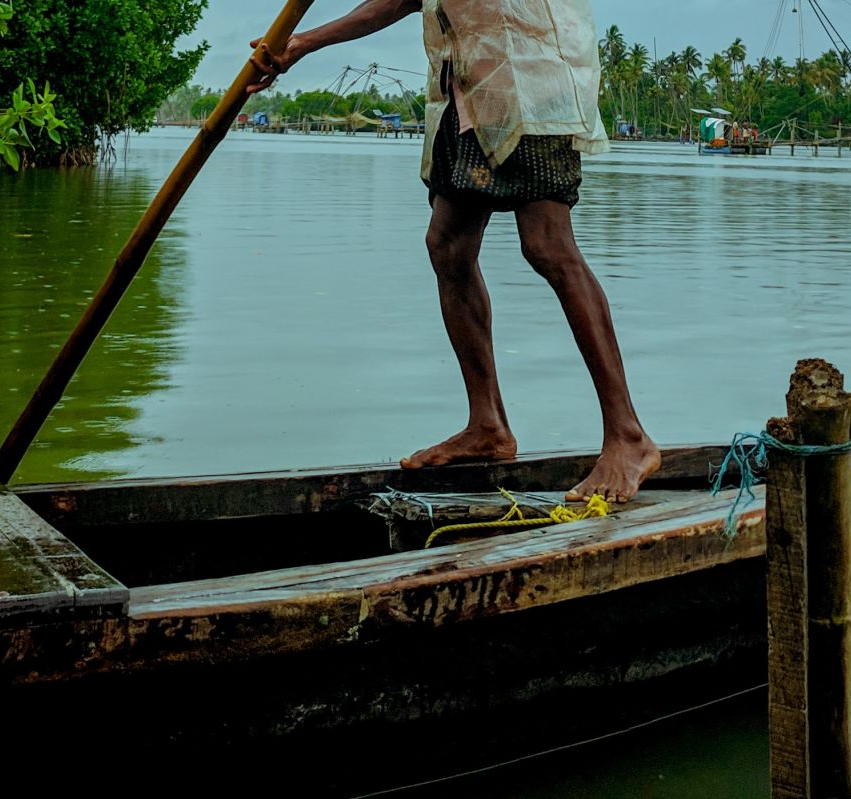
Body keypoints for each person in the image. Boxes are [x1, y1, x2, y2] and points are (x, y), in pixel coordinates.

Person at [248, 0, 659, 502]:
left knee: (548, 245)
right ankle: (488, 426)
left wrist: (305, 43)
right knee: (448, 246)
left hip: (530, 73)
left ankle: (628, 436)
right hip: (469, 80)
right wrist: (302, 43)